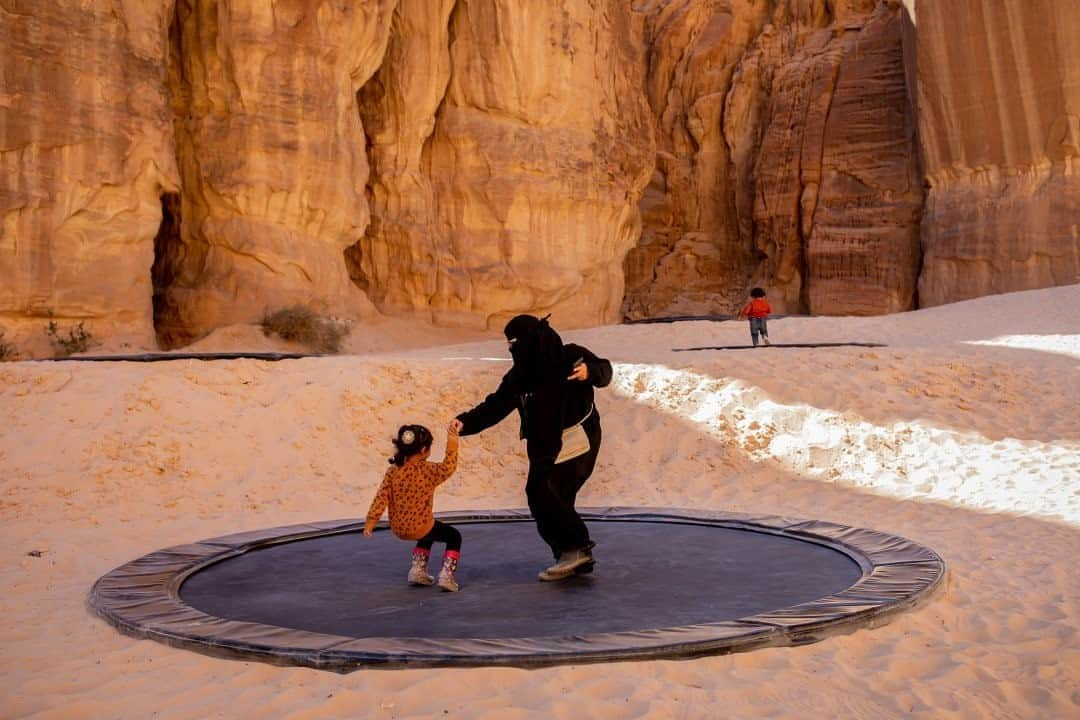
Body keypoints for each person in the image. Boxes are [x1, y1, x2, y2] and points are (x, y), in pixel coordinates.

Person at [451, 314, 612, 582]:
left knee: (544, 492)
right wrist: (465, 422)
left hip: (579, 439)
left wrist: (589, 372)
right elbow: (495, 406)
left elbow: (605, 371)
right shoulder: (519, 376)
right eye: (509, 343)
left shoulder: (570, 356)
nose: (511, 348)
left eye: (515, 342)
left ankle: (576, 550)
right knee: (546, 498)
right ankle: (569, 556)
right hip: (544, 445)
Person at [363, 422, 462, 592]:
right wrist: (452, 440)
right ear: (424, 450)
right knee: (454, 537)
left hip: (399, 528)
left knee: (428, 529)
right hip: (421, 526)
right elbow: (449, 467)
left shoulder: (393, 471)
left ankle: (418, 570)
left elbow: (381, 498)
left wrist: (371, 523)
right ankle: (447, 576)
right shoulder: (429, 470)